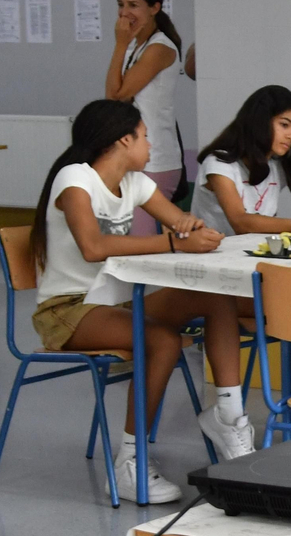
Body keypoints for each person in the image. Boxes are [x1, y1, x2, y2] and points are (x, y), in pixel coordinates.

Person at [30, 100, 256, 502]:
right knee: (163, 342)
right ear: (123, 139)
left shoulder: (135, 182)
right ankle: (130, 463)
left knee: (218, 294)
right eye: (145, 135)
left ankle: (227, 415)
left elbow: (178, 224)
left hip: (115, 303)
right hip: (67, 309)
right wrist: (174, 241)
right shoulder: (75, 179)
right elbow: (93, 247)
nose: (151, 144)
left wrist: (191, 228)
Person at [193, 84, 291, 236]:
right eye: (284, 125)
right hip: (213, 255)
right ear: (259, 120)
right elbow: (240, 222)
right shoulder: (218, 163)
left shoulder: (278, 164)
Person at [104, 0, 183, 236]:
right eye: (121, 5)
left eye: (133, 5)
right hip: (133, 155)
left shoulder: (159, 48)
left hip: (156, 159)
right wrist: (123, 46)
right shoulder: (134, 46)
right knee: (123, 235)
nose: (125, 13)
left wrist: (119, 44)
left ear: (154, 8)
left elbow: (117, 98)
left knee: (141, 241)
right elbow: (111, 99)